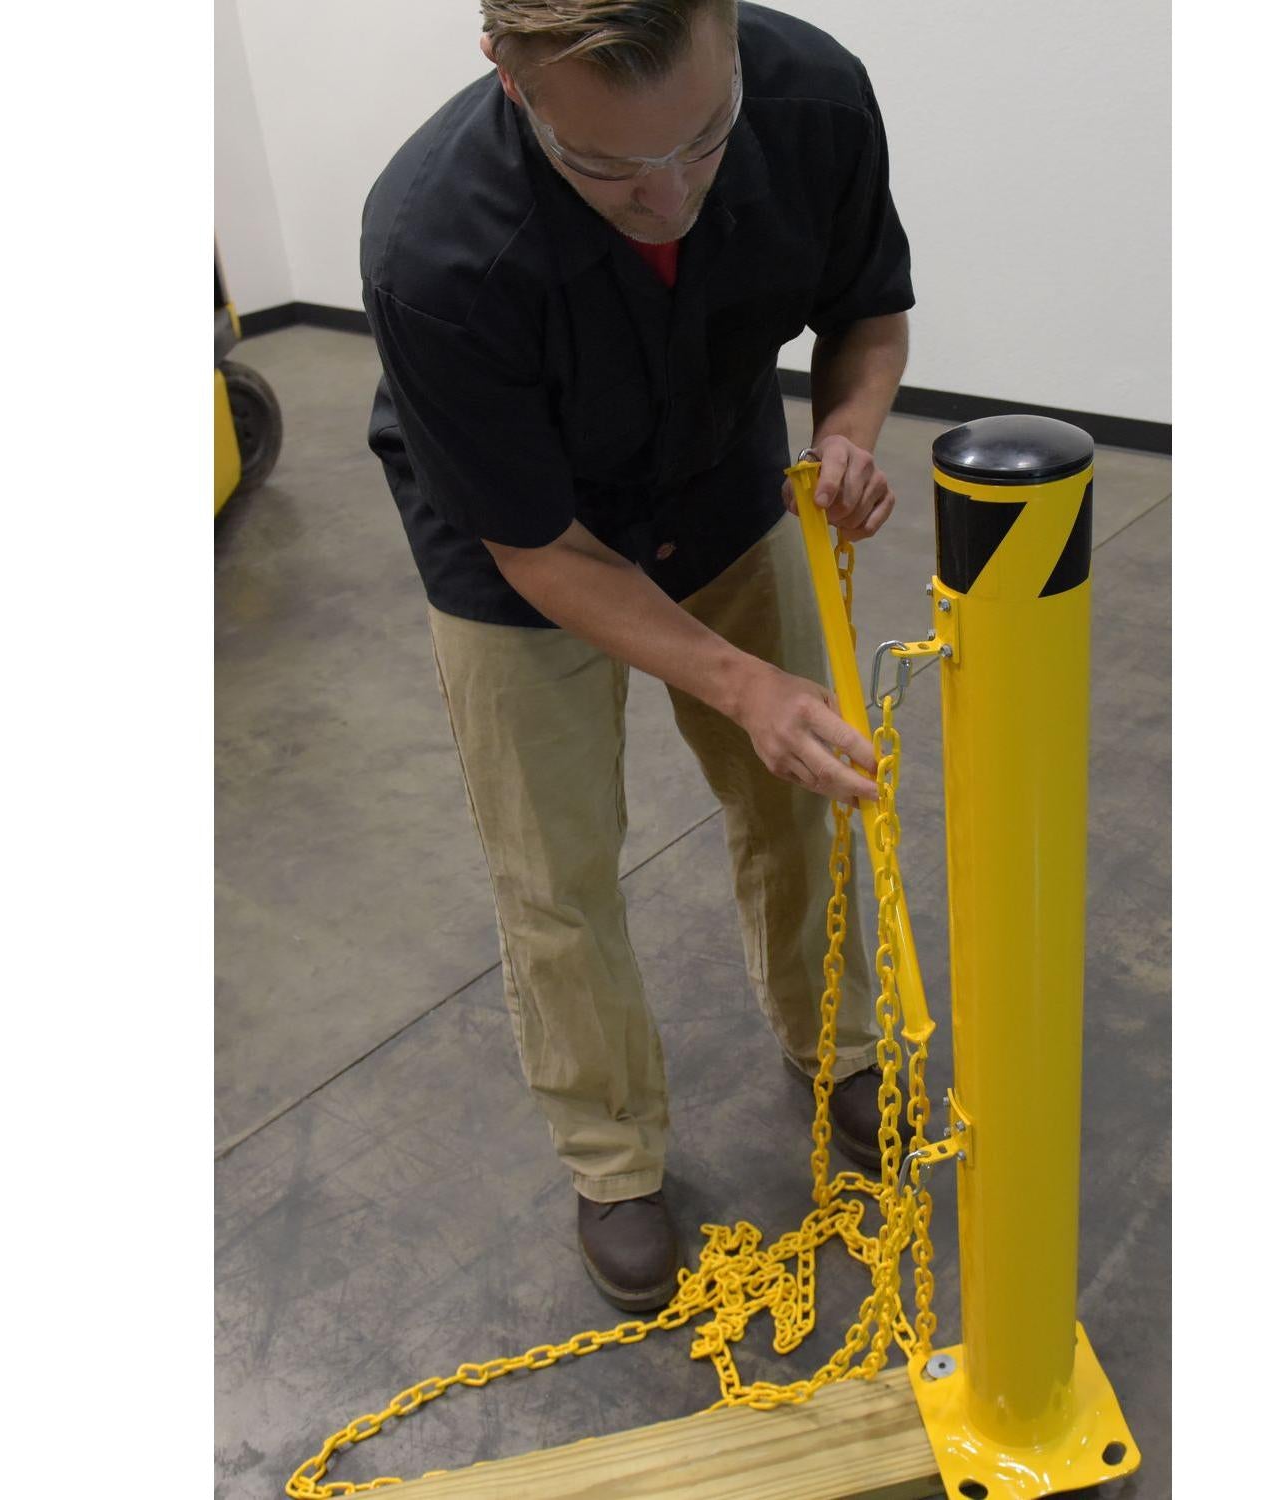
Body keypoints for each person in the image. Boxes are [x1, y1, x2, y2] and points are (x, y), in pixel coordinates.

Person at [361, 0, 913, 1313]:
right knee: (554, 866)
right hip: (522, 546)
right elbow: (539, 549)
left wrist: (848, 427)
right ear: (509, 76)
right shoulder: (433, 245)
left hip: (719, 478)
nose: (669, 196)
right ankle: (612, 1159)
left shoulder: (817, 96)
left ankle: (838, 1044)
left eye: (706, 136)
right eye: (606, 164)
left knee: (798, 793)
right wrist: (739, 681)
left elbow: (868, 315)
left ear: (727, 30)